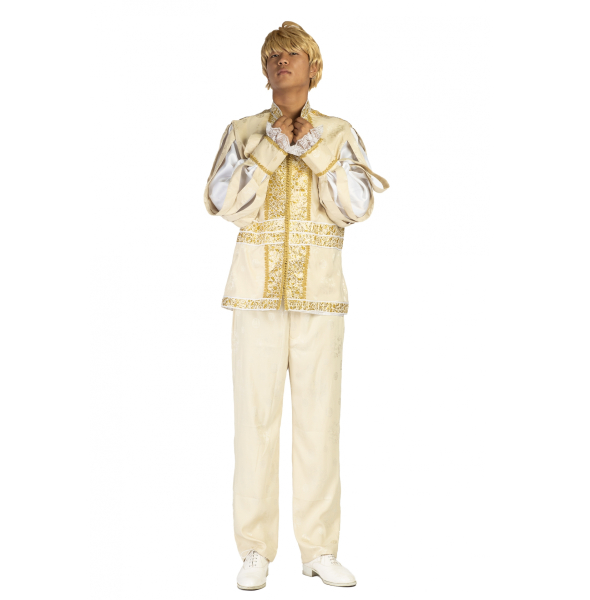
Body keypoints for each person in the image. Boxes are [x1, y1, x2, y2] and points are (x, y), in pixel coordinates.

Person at [203, 21, 389, 590]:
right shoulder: (243, 131)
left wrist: (314, 149)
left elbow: (356, 207)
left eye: (292, 55)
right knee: (254, 423)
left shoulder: (338, 132)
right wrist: (270, 145)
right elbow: (224, 202)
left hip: (319, 297)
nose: (282, 62)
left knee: (319, 426)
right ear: (265, 71)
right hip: (254, 294)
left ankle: (319, 550)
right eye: (273, 56)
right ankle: (255, 550)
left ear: (313, 67)